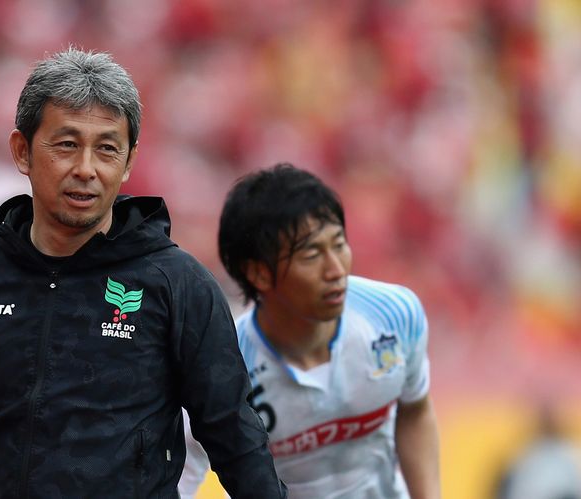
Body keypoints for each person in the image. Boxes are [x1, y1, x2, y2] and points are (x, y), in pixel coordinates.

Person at [0, 47, 287, 499]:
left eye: (106, 149)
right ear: (22, 151)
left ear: (129, 161)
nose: (86, 169)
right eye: (66, 145)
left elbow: (235, 437)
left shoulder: (178, 284)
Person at [179, 163, 441, 498]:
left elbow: (415, 410)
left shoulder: (393, 314)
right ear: (259, 274)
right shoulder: (225, 368)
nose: (336, 269)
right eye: (312, 254)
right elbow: (180, 477)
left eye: (339, 244)